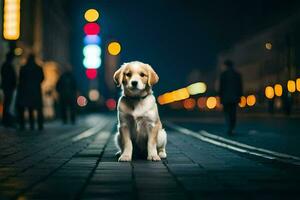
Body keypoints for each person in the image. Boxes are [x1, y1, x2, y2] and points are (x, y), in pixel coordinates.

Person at [16, 54, 44, 131]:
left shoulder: (23, 68)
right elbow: (42, 78)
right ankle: (40, 125)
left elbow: (21, 79)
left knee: (29, 108)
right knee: (38, 109)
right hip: (36, 91)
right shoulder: (38, 68)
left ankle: (31, 125)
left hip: (26, 91)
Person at [219, 59, 243, 135]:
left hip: (226, 98)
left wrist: (220, 98)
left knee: (227, 113)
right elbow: (240, 87)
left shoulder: (223, 75)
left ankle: (229, 127)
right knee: (233, 113)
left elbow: (221, 88)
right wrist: (240, 97)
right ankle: (232, 127)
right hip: (234, 97)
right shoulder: (237, 74)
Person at [1, 52, 17, 127]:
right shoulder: (8, 66)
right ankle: (7, 121)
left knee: (7, 104)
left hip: (7, 87)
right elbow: (10, 78)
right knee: (7, 104)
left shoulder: (5, 66)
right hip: (8, 88)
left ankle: (6, 120)